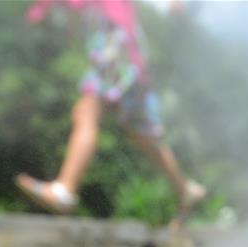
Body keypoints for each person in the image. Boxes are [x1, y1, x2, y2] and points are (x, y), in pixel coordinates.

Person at [16, 0, 206, 221]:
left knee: (86, 111)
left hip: (117, 48)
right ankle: (185, 190)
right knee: (143, 134)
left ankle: (65, 190)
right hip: (129, 53)